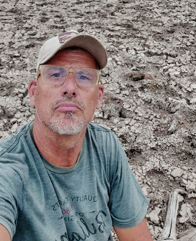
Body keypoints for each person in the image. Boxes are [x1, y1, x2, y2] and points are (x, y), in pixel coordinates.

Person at [0, 31, 152, 240]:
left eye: (84, 76)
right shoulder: (8, 167)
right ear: (33, 92)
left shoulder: (106, 146)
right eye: (55, 74)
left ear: (99, 97)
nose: (70, 88)